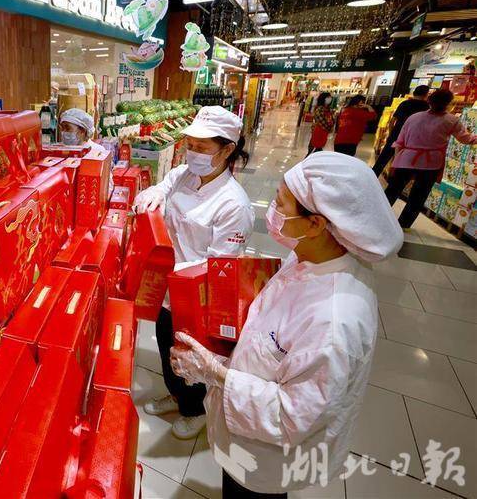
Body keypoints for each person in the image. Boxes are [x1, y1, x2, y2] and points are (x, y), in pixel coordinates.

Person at [170, 152, 403, 497]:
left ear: (316, 224)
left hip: (266, 457)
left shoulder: (334, 319)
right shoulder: (312, 255)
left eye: (281, 204)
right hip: (243, 433)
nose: (272, 211)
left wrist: (215, 374)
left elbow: (291, 416)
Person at [132, 106, 254, 440]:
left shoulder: (233, 204)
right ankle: (175, 396)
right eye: (190, 145)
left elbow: (220, 267)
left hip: (197, 296)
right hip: (166, 288)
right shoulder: (185, 174)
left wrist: (171, 269)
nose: (193, 153)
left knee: (190, 358)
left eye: (202, 147)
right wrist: (157, 191)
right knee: (165, 347)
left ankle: (195, 410)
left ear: (227, 150)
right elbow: (168, 183)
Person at [385, 89, 477, 228]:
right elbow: (466, 138)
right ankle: (404, 224)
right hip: (431, 162)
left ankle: (379, 216)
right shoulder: (452, 120)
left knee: (393, 190)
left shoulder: (414, 117)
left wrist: (396, 160)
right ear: (449, 104)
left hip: (407, 159)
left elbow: (400, 141)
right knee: (418, 195)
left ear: (429, 101)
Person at [372, 85, 430, 175]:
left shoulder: (405, 103)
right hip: (413, 138)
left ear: (414, 93)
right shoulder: (426, 107)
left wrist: (391, 133)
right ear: (426, 94)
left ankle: (373, 176)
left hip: (397, 134)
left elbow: (393, 120)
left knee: (383, 159)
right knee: (404, 163)